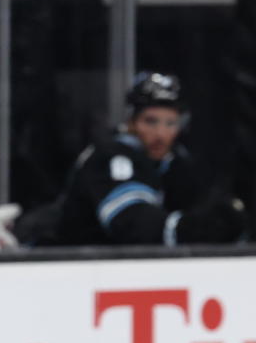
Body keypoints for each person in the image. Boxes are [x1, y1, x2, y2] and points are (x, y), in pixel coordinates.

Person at [46, 71, 246, 246]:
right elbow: (133, 227)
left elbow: (200, 208)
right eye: (150, 121)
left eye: (171, 123)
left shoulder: (175, 161)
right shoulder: (111, 157)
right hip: (66, 274)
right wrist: (191, 230)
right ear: (131, 121)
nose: (161, 133)